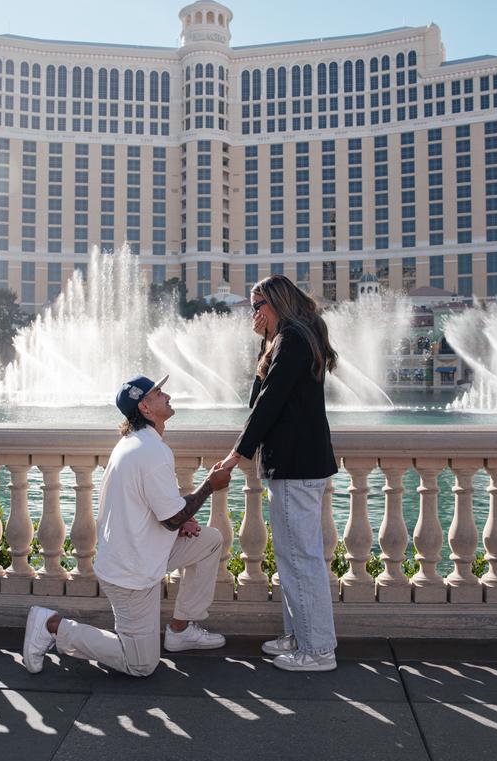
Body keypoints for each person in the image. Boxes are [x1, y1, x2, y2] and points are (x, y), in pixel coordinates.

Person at [23, 374, 231, 677]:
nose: (167, 395)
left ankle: (181, 629)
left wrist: (183, 515)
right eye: (159, 392)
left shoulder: (137, 443)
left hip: (144, 552)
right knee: (141, 665)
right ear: (145, 407)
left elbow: (163, 507)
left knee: (209, 540)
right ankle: (52, 625)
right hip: (131, 573)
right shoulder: (151, 451)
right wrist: (210, 486)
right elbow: (171, 519)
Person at [220, 275, 339, 672]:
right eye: (252, 307)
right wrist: (263, 342)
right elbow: (260, 395)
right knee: (292, 557)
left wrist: (237, 454)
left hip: (295, 465)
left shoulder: (293, 339)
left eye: (258, 306)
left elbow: (267, 406)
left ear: (277, 303)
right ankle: (299, 636)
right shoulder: (289, 338)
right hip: (299, 464)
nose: (253, 314)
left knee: (301, 558)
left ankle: (318, 650)